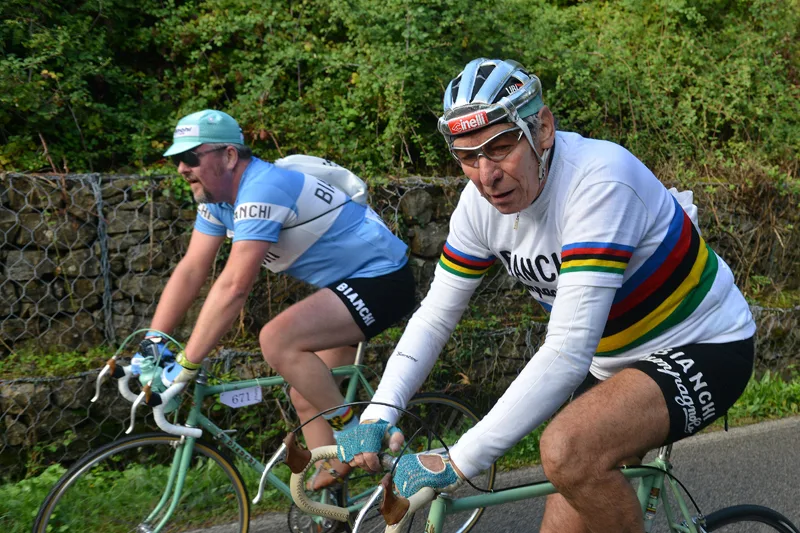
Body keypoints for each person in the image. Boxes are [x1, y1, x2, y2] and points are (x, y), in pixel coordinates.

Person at [335, 59, 756, 533]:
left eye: (499, 147)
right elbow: (436, 316)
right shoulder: (478, 206)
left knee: (565, 450)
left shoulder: (599, 180)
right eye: (467, 156)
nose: (485, 174)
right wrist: (381, 410)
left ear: (543, 129)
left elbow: (568, 347)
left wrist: (459, 460)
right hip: (614, 364)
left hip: (703, 346)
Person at [141, 109, 416, 489]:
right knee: (305, 396)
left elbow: (234, 286)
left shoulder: (262, 188)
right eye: (176, 160)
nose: (182, 169)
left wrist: (187, 364)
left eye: (190, 158)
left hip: (383, 278)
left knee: (277, 339)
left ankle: (356, 435)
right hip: (346, 285)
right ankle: (329, 511)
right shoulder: (218, 203)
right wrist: (153, 341)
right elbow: (192, 270)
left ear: (229, 156)